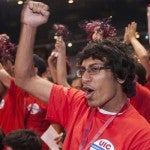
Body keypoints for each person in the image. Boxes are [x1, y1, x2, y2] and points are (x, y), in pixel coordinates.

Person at [14, 1, 150, 150]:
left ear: (120, 75)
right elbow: (25, 78)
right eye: (83, 70)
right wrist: (29, 26)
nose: (85, 78)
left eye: (94, 69)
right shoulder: (77, 103)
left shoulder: (141, 136)